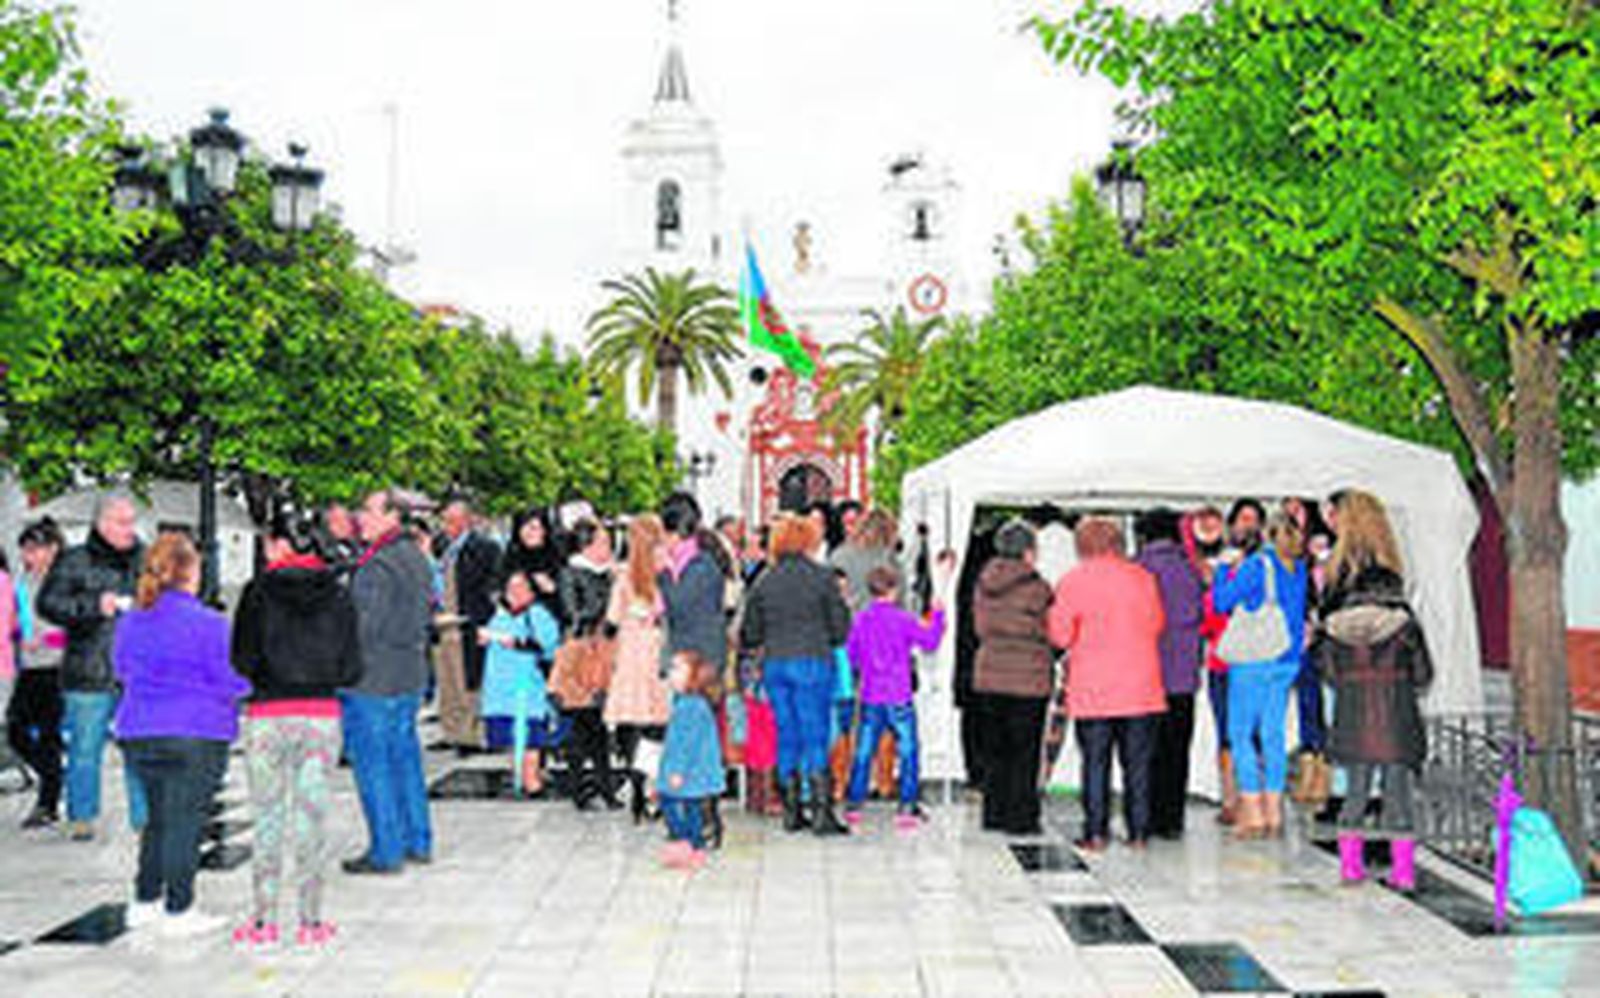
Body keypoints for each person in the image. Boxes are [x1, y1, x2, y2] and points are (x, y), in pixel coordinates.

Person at [230, 510, 362, 948]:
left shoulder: (256, 592)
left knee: (267, 818)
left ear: (282, 545)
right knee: (312, 821)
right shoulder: (339, 594)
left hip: (267, 716)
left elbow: (241, 660)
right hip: (320, 716)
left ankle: (264, 922)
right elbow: (353, 667)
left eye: (268, 542)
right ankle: (310, 922)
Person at [114, 533, 249, 937]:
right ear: (189, 572)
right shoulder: (210, 623)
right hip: (196, 731)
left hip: (139, 730)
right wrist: (250, 686)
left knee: (158, 818)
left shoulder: (130, 620)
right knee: (185, 822)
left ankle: (145, 900)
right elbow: (229, 679)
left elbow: (120, 669)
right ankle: (179, 908)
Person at [1315, 490, 1429, 891]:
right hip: (1396, 716)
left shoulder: (1340, 575)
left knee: (1354, 791)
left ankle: (1351, 868)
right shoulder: (1402, 618)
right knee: (1398, 795)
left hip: (1352, 711)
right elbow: (1423, 674)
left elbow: (1327, 668)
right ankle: (1403, 871)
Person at [1047, 518, 1167, 849]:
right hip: (1141, 687)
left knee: (1095, 763)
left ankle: (1096, 833)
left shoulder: (1073, 581)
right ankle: (1139, 832)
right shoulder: (1143, 578)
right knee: (1138, 765)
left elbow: (1060, 635)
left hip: (1094, 689)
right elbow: (1157, 623)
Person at [38, 493, 148, 841]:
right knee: (85, 749)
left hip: (137, 672)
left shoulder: (146, 559)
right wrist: (93, 605)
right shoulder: (74, 559)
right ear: (102, 523)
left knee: (141, 749)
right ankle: (82, 816)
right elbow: (48, 603)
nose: (130, 529)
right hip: (88, 671)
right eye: (122, 522)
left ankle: (144, 818)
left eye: (132, 521)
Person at [342, 489, 435, 875]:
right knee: (406, 760)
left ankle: (386, 850)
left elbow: (363, 628)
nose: (359, 517)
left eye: (367, 510)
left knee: (374, 765)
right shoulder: (416, 557)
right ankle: (417, 839)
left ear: (392, 516)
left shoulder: (377, 566)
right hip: (409, 673)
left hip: (373, 679)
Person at [740, 514, 852, 835]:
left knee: (787, 734)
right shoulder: (822, 577)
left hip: (776, 665)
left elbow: (750, 633)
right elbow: (840, 631)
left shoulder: (765, 581)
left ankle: (792, 812)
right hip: (813, 662)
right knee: (815, 733)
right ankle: (821, 813)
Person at [1213, 507, 1309, 838]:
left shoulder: (1258, 564)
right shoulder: (1298, 568)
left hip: (1254, 661)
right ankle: (1274, 812)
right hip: (1288, 660)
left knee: (1241, 734)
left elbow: (1221, 602)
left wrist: (1222, 569)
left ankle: (1252, 812)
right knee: (1273, 735)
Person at [843, 562, 949, 827]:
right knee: (909, 750)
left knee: (864, 750)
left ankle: (854, 804)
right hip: (899, 693)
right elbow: (930, 642)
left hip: (870, 694)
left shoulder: (861, 620)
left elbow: (851, 657)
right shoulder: (903, 619)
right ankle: (907, 807)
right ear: (894, 590)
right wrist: (938, 615)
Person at [973, 519, 1056, 836]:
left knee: (994, 749)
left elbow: (979, 626)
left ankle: (993, 813)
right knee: (1025, 751)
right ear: (1028, 551)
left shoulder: (984, 582)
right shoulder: (1038, 587)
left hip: (989, 673)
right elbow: (1050, 630)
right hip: (1029, 678)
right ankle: (1020, 818)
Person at [1133, 510, 1203, 840]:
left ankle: (1144, 817)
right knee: (1177, 750)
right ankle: (1171, 820)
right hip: (1183, 675)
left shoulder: (1138, 568)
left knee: (1145, 751)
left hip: (1146, 674)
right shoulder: (1190, 568)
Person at [605, 516, 672, 816]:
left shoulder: (623, 576)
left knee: (632, 723)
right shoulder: (667, 570)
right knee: (656, 726)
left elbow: (611, 620)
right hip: (659, 653)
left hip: (631, 655)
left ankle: (635, 787)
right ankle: (650, 787)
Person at [554, 519, 619, 810]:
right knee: (583, 723)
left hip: (605, 652)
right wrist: (608, 600)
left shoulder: (608, 574)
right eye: (603, 542)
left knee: (598, 725)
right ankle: (581, 787)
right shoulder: (571, 573)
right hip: (581, 655)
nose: (609, 548)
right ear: (587, 546)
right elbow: (573, 615)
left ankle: (603, 787)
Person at [479, 569, 562, 797]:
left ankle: (532, 781)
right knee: (511, 734)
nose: (515, 593)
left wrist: (517, 643)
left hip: (527, 684)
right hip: (500, 687)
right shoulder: (499, 616)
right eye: (511, 588)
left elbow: (549, 647)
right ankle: (522, 778)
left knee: (531, 736)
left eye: (521, 588)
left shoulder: (538, 615)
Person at [9, 519, 67, 829]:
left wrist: (46, 640)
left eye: (34, 549)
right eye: (24, 549)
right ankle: (54, 777)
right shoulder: (23, 584)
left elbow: (80, 630)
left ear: (53, 549)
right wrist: (18, 633)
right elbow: (20, 622)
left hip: (58, 669)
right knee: (15, 731)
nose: (27, 555)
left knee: (48, 736)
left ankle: (48, 802)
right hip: (30, 668)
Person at [432, 500, 502, 753]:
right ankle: (451, 731)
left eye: (451, 520)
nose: (446, 526)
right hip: (442, 623)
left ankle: (471, 735)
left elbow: (492, 585)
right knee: (447, 680)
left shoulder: (484, 547)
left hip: (466, 622)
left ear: (466, 520)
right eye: (444, 520)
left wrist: (476, 615)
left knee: (468, 681)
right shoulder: (443, 547)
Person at [1185, 505, 1236, 824]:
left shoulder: (1228, 568)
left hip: (1225, 660)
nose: (1208, 527)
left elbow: (1211, 617)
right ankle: (1237, 799)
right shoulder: (1191, 560)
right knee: (1235, 733)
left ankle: (1234, 799)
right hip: (1222, 660)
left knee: (1231, 732)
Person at [658, 650, 725, 869]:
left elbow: (685, 743)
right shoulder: (689, 702)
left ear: (693, 676)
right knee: (690, 808)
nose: (671, 673)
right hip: (693, 771)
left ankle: (686, 845)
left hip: (687, 771)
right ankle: (694, 847)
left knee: (672, 805)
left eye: (678, 669)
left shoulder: (690, 706)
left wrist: (677, 770)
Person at [658, 492, 730, 674]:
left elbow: (676, 604)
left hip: (701, 663)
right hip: (686, 658)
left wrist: (663, 571)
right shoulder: (687, 561)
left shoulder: (701, 566)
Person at [501, 508, 563, 605]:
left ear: (544, 530)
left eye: (534, 528)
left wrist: (553, 589)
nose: (528, 533)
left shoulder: (557, 556)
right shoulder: (511, 555)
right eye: (523, 528)